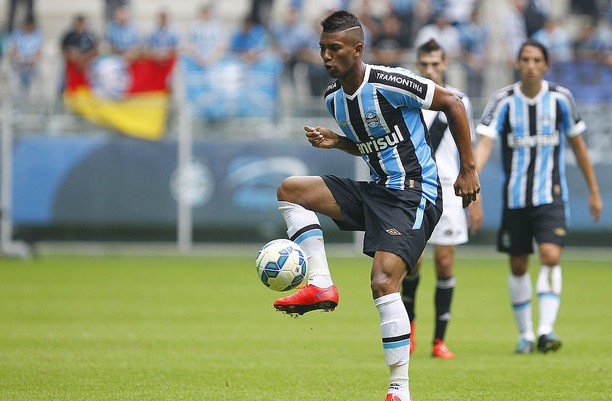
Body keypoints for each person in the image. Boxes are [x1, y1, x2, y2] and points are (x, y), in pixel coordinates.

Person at [272, 11, 480, 401]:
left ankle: (400, 390)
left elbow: (453, 102)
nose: (326, 57)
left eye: (334, 49)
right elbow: (372, 143)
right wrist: (338, 142)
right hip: (377, 191)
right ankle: (320, 284)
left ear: (357, 49)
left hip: (416, 193)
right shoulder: (334, 99)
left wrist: (468, 169)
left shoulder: (390, 81)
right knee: (291, 189)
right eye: (322, 49)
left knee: (383, 282)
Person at [473, 38, 603, 354]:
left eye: (536, 60)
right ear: (517, 63)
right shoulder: (503, 100)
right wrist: (472, 185)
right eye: (525, 59)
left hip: (550, 195)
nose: (530, 65)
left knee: (551, 255)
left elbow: (578, 145)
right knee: (518, 264)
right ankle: (526, 334)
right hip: (515, 197)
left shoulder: (560, 99)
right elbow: (485, 143)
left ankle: (546, 329)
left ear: (545, 65)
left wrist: (594, 190)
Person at [400, 38, 481, 361]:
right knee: (413, 262)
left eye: (435, 64)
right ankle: (409, 332)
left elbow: (468, 151)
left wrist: (476, 198)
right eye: (425, 64)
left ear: (445, 64)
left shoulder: (459, 101)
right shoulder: (408, 98)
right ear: (417, 66)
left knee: (445, 263)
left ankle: (439, 341)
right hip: (416, 187)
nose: (430, 69)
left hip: (449, 190)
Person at [7, 14, 42, 108]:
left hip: (31, 64)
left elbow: (39, 51)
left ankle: (29, 106)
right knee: (16, 88)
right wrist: (19, 59)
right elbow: (13, 49)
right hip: (18, 64)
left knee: (31, 87)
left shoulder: (37, 35)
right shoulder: (17, 34)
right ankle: (16, 107)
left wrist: (32, 60)